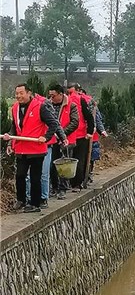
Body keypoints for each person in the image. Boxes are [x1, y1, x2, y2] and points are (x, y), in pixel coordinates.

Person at [3, 83, 66, 213]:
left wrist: (46, 137)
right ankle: (21, 200)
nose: (18, 96)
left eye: (21, 93)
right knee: (20, 175)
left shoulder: (40, 107)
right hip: (21, 147)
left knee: (35, 177)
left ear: (29, 93)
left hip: (36, 149)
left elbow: (53, 123)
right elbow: (15, 126)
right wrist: (10, 140)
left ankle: (35, 204)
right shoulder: (14, 108)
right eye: (17, 93)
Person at [47, 83, 79, 199]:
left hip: (66, 141)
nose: (51, 98)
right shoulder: (47, 105)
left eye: (53, 95)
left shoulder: (71, 105)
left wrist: (62, 134)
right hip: (51, 140)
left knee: (64, 165)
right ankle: (54, 187)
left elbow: (75, 122)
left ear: (61, 94)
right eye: (49, 95)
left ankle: (63, 189)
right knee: (51, 165)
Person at [67, 83, 95, 191]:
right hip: (76, 135)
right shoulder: (81, 100)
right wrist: (89, 131)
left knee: (71, 159)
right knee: (78, 159)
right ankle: (76, 183)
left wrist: (89, 131)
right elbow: (89, 117)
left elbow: (89, 117)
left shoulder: (76, 101)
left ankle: (73, 183)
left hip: (73, 135)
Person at [89, 108, 108, 182]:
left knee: (91, 158)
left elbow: (97, 120)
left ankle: (89, 174)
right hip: (81, 137)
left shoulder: (91, 105)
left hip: (92, 138)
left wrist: (102, 130)